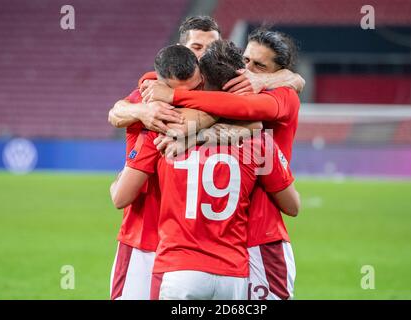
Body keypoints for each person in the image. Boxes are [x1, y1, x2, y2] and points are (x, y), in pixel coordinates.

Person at [110, 40, 300, 300]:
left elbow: (249, 111)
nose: (248, 71)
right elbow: (293, 205)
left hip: (222, 247)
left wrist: (181, 112)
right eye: (245, 61)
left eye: (259, 66)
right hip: (231, 260)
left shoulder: (163, 126)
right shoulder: (258, 142)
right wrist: (139, 108)